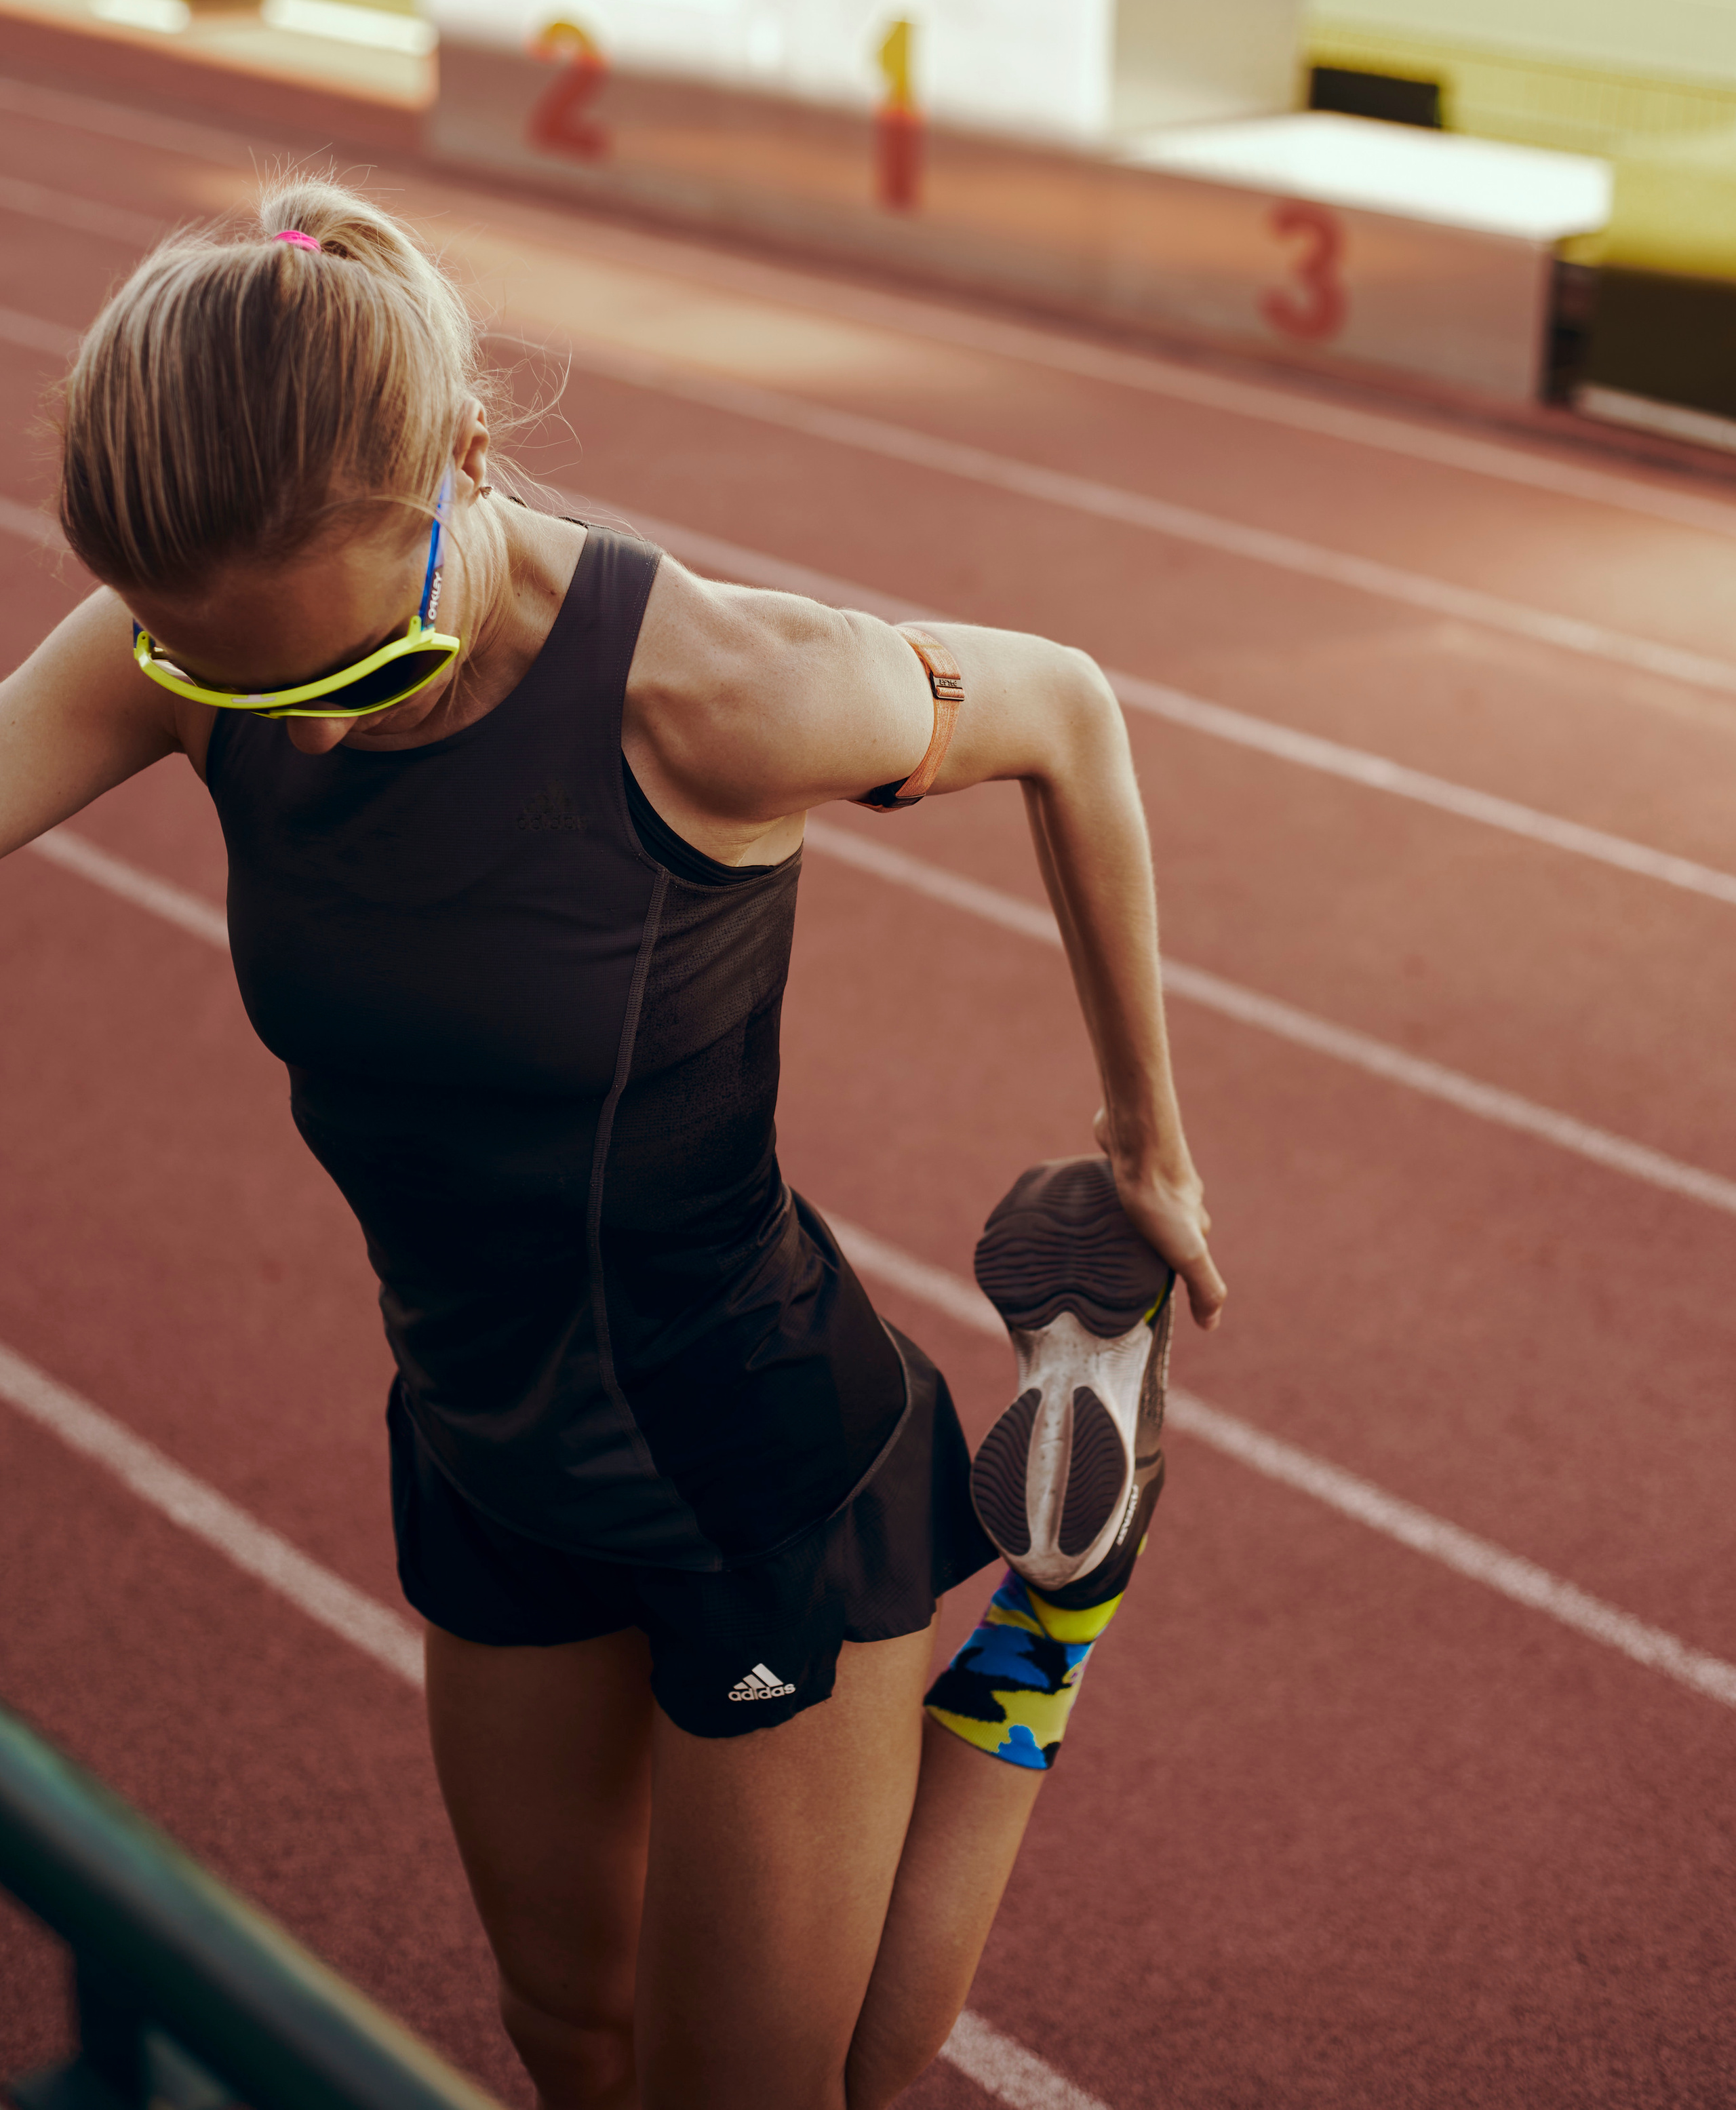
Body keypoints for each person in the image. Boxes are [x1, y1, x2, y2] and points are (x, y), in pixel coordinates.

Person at [0, 182, 1225, 2110]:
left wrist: (1147, 1138)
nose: (288, 741)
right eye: (226, 689)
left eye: (339, 681)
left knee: (779, 2093)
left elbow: (1068, 710)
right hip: (483, 1447)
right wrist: (221, 680)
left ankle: (1058, 1609)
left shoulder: (716, 692)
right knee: (570, 2038)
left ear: (462, 470)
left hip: (753, 1466)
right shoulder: (196, 633)